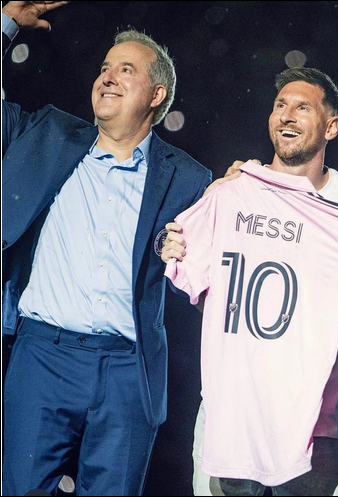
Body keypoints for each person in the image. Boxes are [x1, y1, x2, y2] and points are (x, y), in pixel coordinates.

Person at [1, 2, 212, 495]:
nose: (108, 77)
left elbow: (207, 267)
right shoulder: (47, 135)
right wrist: (5, 24)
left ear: (157, 95)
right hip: (43, 358)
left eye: (126, 69)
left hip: (126, 371)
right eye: (104, 68)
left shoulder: (188, 179)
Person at [161, 67, 338, 496]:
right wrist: (171, 246)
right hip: (229, 417)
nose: (287, 115)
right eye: (280, 105)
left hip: (315, 427)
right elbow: (191, 275)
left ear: (331, 126)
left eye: (302, 107)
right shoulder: (231, 192)